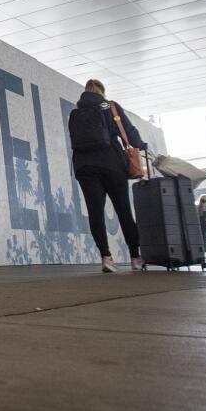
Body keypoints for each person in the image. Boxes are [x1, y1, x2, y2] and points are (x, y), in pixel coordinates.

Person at [68, 79, 147, 273]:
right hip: (112, 164)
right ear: (101, 91)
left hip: (85, 167)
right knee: (123, 210)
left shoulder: (75, 112)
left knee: (95, 213)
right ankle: (135, 257)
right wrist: (142, 146)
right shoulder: (110, 107)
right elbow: (128, 132)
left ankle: (106, 258)